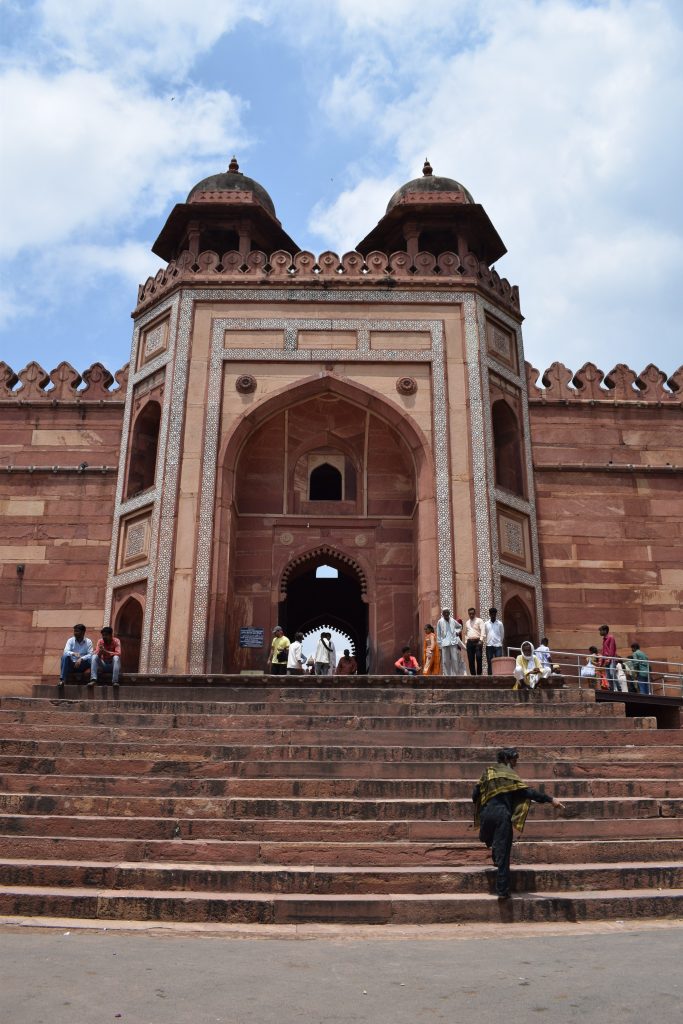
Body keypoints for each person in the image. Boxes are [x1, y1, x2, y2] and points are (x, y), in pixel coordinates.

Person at [472, 747, 566, 899]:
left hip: (486, 814)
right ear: (507, 760)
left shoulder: (487, 772)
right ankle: (502, 891)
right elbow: (528, 793)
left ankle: (495, 851)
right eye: (514, 760)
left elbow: (474, 795)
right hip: (502, 815)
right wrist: (550, 799)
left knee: (488, 839)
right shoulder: (510, 776)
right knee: (504, 854)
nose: (516, 763)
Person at [59, 623, 93, 690]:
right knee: (64, 656)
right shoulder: (70, 640)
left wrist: (81, 659)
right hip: (72, 664)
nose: (75, 633)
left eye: (77, 631)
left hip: (82, 665)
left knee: (93, 658)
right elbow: (65, 651)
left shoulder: (88, 641)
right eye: (74, 631)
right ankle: (62, 680)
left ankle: (92, 680)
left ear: (83, 632)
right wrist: (73, 653)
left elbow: (90, 654)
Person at [436, 609, 462, 676]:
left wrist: (457, 632)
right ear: (442, 614)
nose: (446, 614)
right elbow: (438, 634)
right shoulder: (440, 621)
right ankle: (446, 675)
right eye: (445, 613)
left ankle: (456, 675)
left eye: (447, 612)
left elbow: (460, 626)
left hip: (453, 642)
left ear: (449, 613)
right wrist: (439, 644)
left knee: (455, 659)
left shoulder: (452, 620)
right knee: (445, 661)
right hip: (444, 643)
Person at [463, 607, 486, 676]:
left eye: (472, 613)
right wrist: (466, 641)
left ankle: (479, 674)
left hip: (478, 642)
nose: (471, 615)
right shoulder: (467, 622)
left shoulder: (479, 620)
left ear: (475, 613)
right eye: (470, 614)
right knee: (470, 660)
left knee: (479, 658)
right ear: (468, 614)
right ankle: (473, 675)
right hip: (469, 643)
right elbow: (466, 633)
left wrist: (481, 640)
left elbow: (483, 630)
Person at [484, 607, 505, 674]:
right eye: (491, 614)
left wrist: (499, 642)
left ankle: (498, 676)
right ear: (489, 614)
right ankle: (490, 677)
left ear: (496, 614)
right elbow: (485, 633)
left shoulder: (500, 624)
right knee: (489, 662)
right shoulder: (486, 624)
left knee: (498, 662)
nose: (493, 615)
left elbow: (502, 634)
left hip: (498, 646)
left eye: (494, 614)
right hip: (489, 645)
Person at [599, 624, 617, 691]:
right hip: (606, 660)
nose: (600, 632)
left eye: (601, 630)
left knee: (612, 674)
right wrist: (602, 663)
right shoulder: (604, 639)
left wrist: (609, 659)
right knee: (608, 676)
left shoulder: (611, 638)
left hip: (611, 659)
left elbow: (612, 649)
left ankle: (618, 689)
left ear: (605, 631)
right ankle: (612, 690)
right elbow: (603, 652)